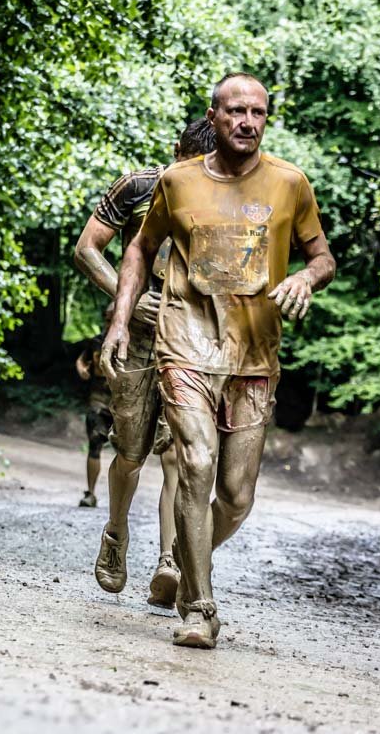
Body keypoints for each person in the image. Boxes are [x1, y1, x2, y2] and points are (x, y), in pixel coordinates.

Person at [101, 73, 335, 648]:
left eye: (257, 113)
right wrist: (118, 321)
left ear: (266, 120)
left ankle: (185, 554)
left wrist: (307, 277)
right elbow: (137, 248)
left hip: (253, 356)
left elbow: (322, 255)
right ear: (215, 115)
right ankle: (199, 607)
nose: (246, 122)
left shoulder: (290, 183)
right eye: (235, 111)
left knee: (235, 497)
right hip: (184, 343)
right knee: (196, 462)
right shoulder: (177, 182)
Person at [75, 119, 215, 608]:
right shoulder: (136, 187)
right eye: (188, 166)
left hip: (193, 340)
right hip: (135, 339)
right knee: (131, 452)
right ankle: (115, 532)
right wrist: (128, 298)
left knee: (180, 452)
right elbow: (86, 248)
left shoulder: (227, 201)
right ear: (174, 152)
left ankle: (170, 558)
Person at [75, 331, 113, 508]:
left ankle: (120, 498)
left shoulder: (133, 340)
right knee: (95, 444)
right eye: (106, 318)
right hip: (98, 400)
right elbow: (82, 360)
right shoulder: (96, 341)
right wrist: (82, 369)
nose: (108, 322)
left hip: (123, 403)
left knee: (126, 453)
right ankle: (91, 493)